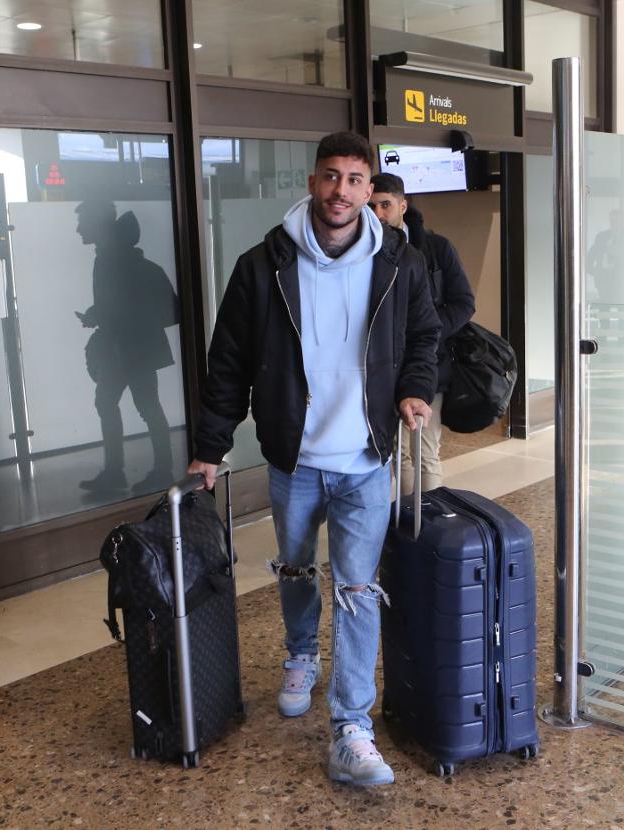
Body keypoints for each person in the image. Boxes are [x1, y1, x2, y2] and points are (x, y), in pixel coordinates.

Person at [188, 132, 440, 787]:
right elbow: (228, 364)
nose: (342, 191)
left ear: (369, 190)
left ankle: (351, 727)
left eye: (356, 180)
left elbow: (424, 338)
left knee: (357, 591)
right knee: (298, 569)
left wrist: (414, 390)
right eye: (332, 177)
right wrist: (209, 449)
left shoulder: (399, 263)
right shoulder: (262, 266)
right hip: (292, 458)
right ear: (312, 181)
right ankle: (300, 651)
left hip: (365, 459)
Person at [369, 172, 475, 493]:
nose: (378, 214)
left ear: (403, 206)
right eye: (371, 206)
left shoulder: (435, 248)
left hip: (428, 364)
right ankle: (406, 530)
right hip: (385, 369)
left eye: (385, 205)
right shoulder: (365, 251)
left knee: (424, 450)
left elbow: (464, 302)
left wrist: (425, 331)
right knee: (398, 453)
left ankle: (430, 526)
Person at [75, 203, 179, 494]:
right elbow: (119, 303)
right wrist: (98, 314)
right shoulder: (111, 257)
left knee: (142, 407)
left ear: (98, 224)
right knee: (129, 405)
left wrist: (100, 315)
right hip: (127, 348)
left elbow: (125, 305)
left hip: (131, 349)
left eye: (83, 221)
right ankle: (131, 472)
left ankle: (148, 472)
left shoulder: (112, 259)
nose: (79, 228)